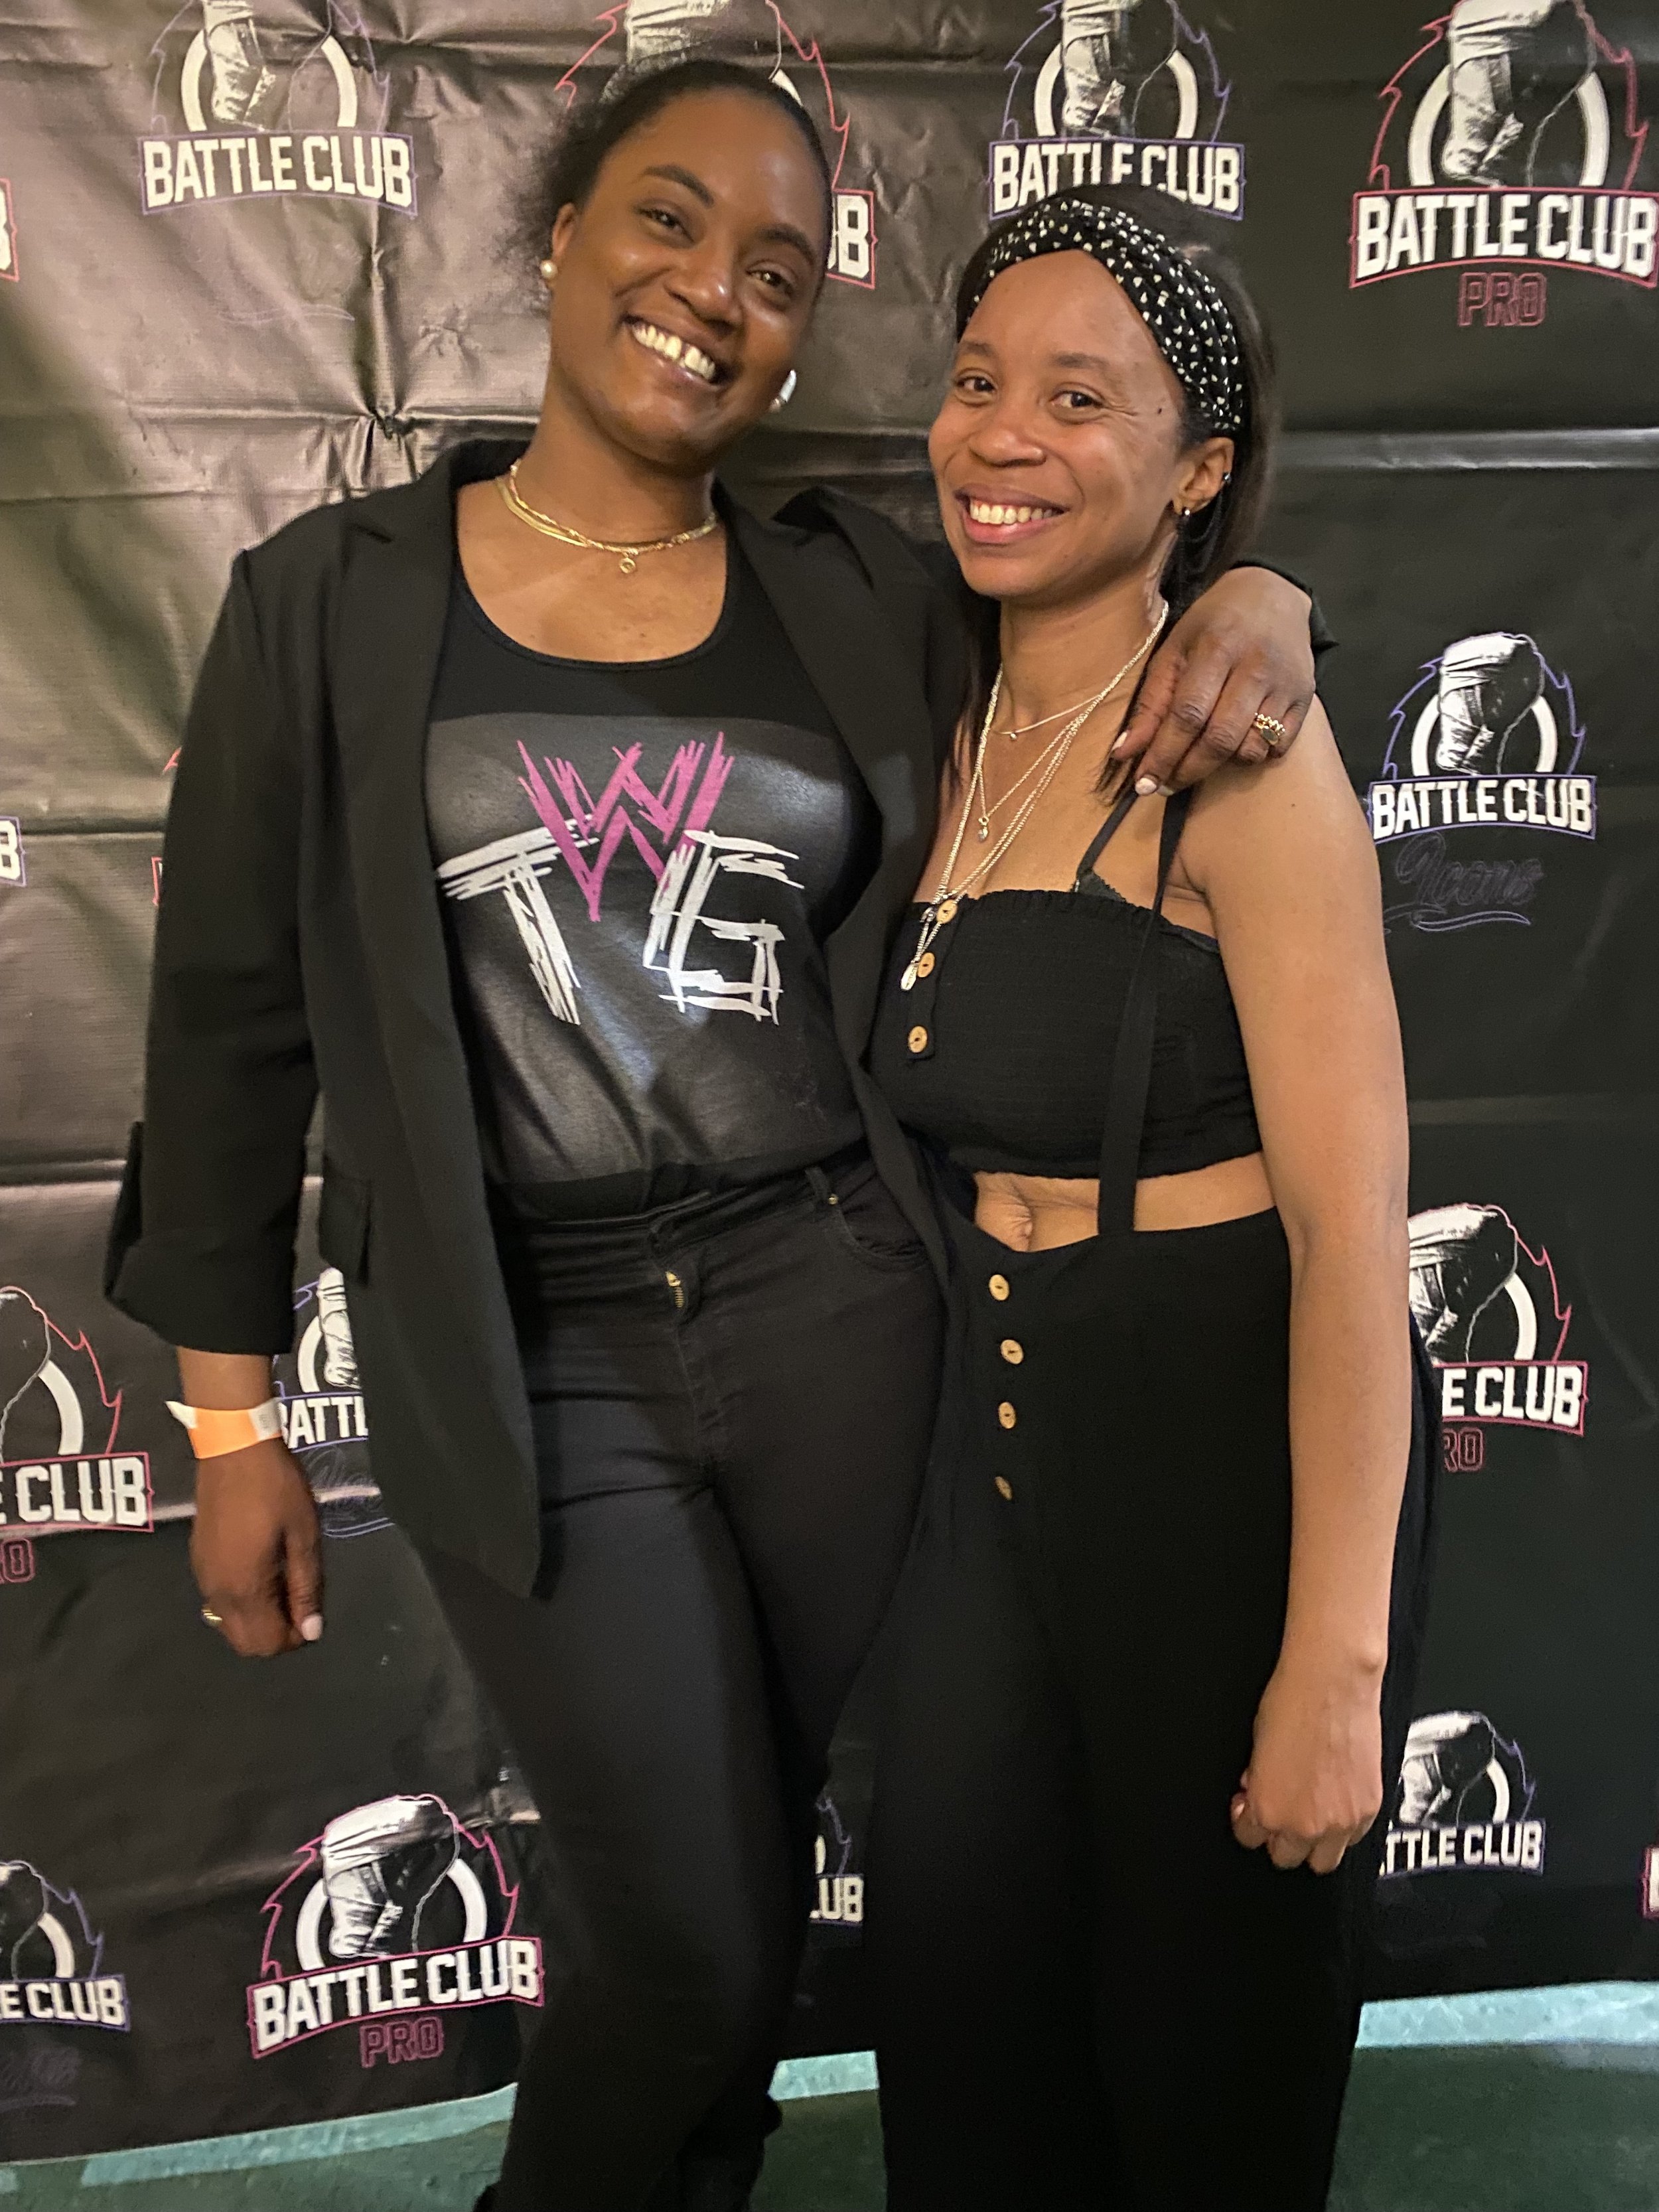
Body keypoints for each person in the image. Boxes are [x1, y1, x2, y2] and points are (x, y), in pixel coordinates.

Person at [105, 63, 1328, 2212]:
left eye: (776, 270)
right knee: (685, 1936)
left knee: (787, 1905)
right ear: (559, 231)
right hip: (533, 1343)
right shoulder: (330, 598)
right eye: (666, 224)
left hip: (848, 1312)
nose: (714, 294)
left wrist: (1274, 599)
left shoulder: (855, 583)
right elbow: (224, 1039)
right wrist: (226, 1433)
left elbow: (1112, 600)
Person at [865, 194, 1437, 2211]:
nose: (1000, 436)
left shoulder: (1248, 760)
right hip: (976, 1485)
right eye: (973, 385)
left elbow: (1359, 1245)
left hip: (1219, 1470)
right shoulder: (923, 706)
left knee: (1205, 2066)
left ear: (1197, 468)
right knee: (960, 2048)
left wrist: (1333, 1670)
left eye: (1077, 401)